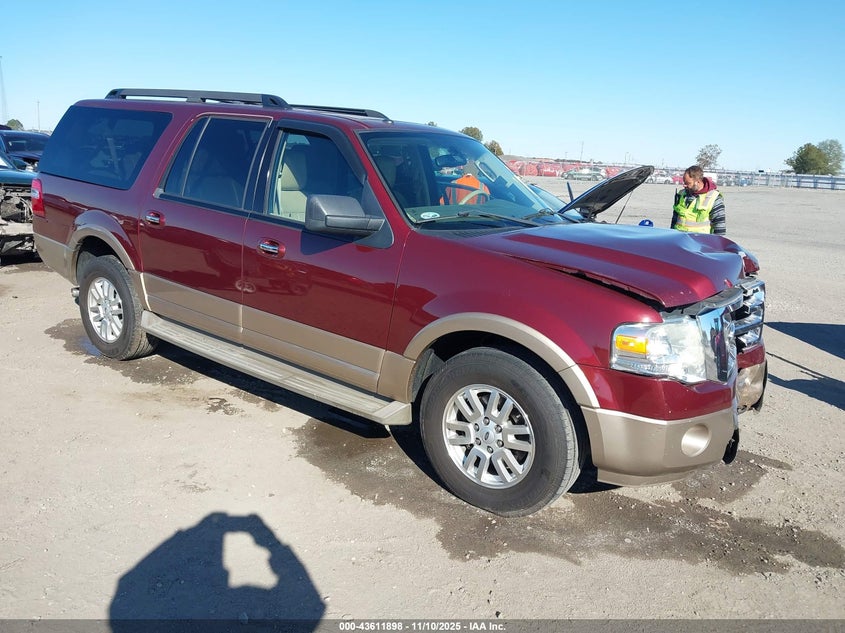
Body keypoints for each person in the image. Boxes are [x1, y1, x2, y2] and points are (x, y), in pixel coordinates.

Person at [670, 165, 726, 234]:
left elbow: (720, 227)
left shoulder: (714, 198)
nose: (684, 185)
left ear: (698, 182)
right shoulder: (681, 194)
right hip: (679, 239)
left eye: (688, 183)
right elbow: (675, 219)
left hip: (700, 241)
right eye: (684, 182)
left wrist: (715, 244)